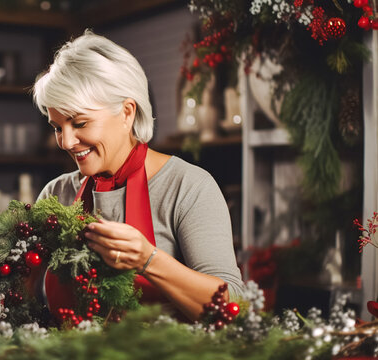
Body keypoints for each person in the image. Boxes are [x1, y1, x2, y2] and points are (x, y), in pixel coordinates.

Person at [32, 30, 244, 321]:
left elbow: (234, 305)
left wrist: (149, 260)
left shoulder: (188, 187)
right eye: (57, 127)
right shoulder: (56, 195)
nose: (66, 142)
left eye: (79, 123)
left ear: (127, 112)